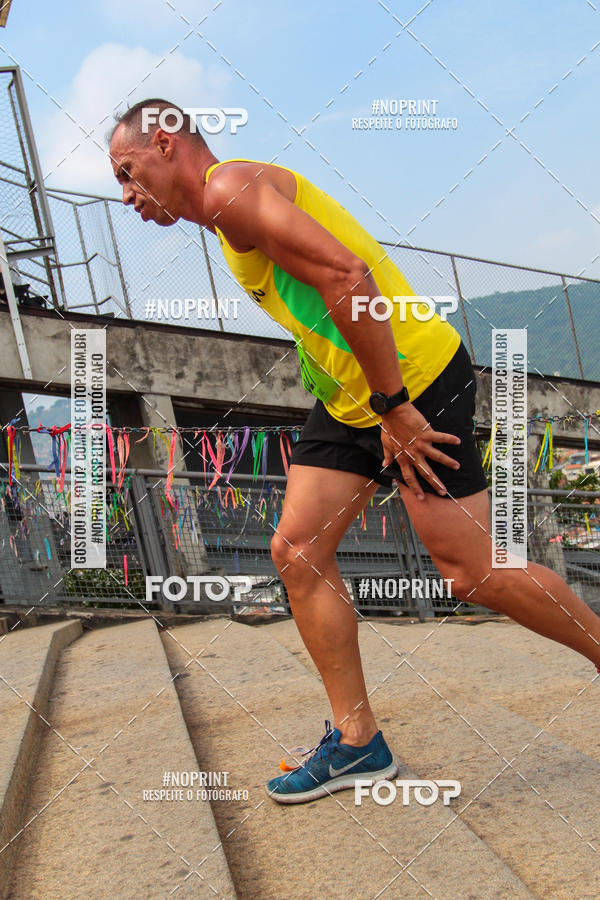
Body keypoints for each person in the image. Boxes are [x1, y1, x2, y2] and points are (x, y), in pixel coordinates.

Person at [109, 99, 600, 804]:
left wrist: (395, 409)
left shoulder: (229, 191)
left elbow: (349, 279)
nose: (128, 197)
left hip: (411, 383)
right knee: (298, 551)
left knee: (472, 570)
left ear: (164, 141)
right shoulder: (224, 214)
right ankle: (358, 741)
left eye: (128, 173)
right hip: (356, 397)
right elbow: (322, 301)